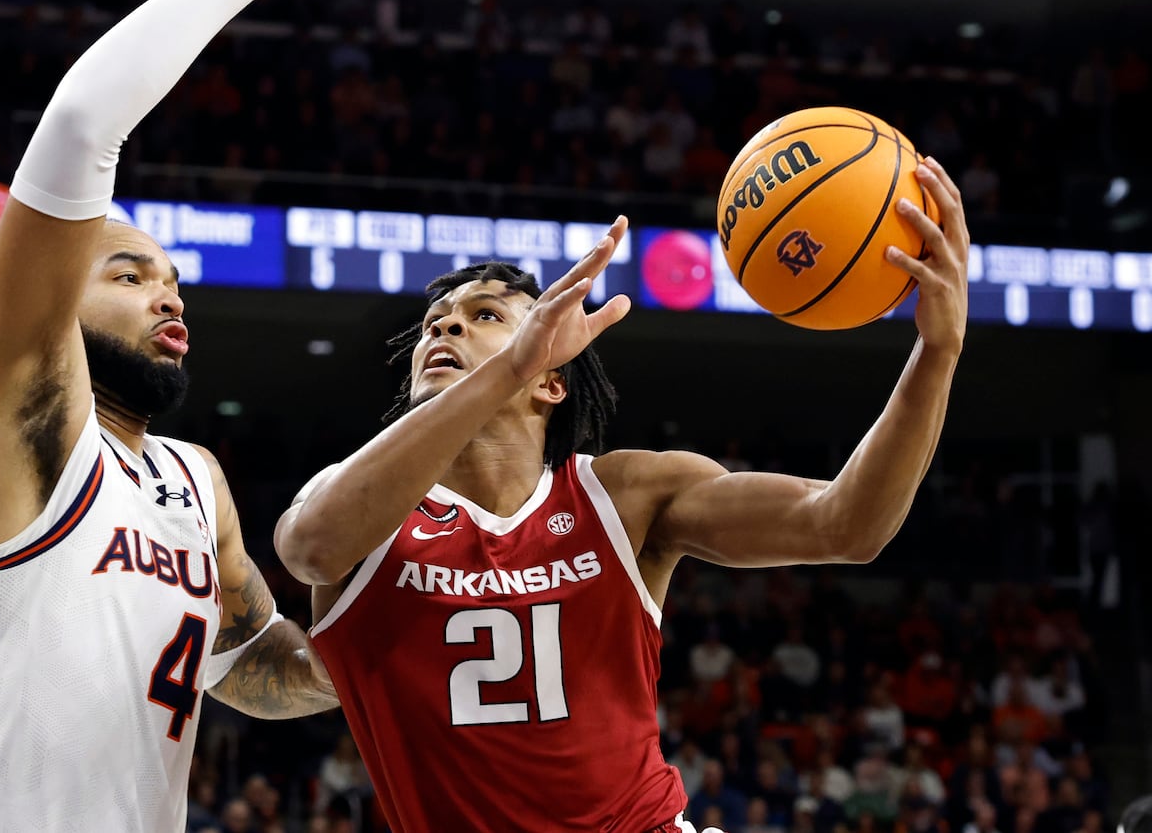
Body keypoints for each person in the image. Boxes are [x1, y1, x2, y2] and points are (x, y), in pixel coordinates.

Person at [275, 158, 970, 833]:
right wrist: (510, 361)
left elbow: (846, 524)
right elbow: (313, 548)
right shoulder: (360, 509)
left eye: (484, 314)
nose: (444, 326)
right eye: (434, 323)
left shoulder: (624, 494)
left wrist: (936, 353)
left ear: (552, 381)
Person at [0, 0, 340, 832]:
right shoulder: (25, 400)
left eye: (175, 282)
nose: (166, 290)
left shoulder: (196, 478)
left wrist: (405, 629)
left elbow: (255, 664)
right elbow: (79, 122)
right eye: (129, 272)